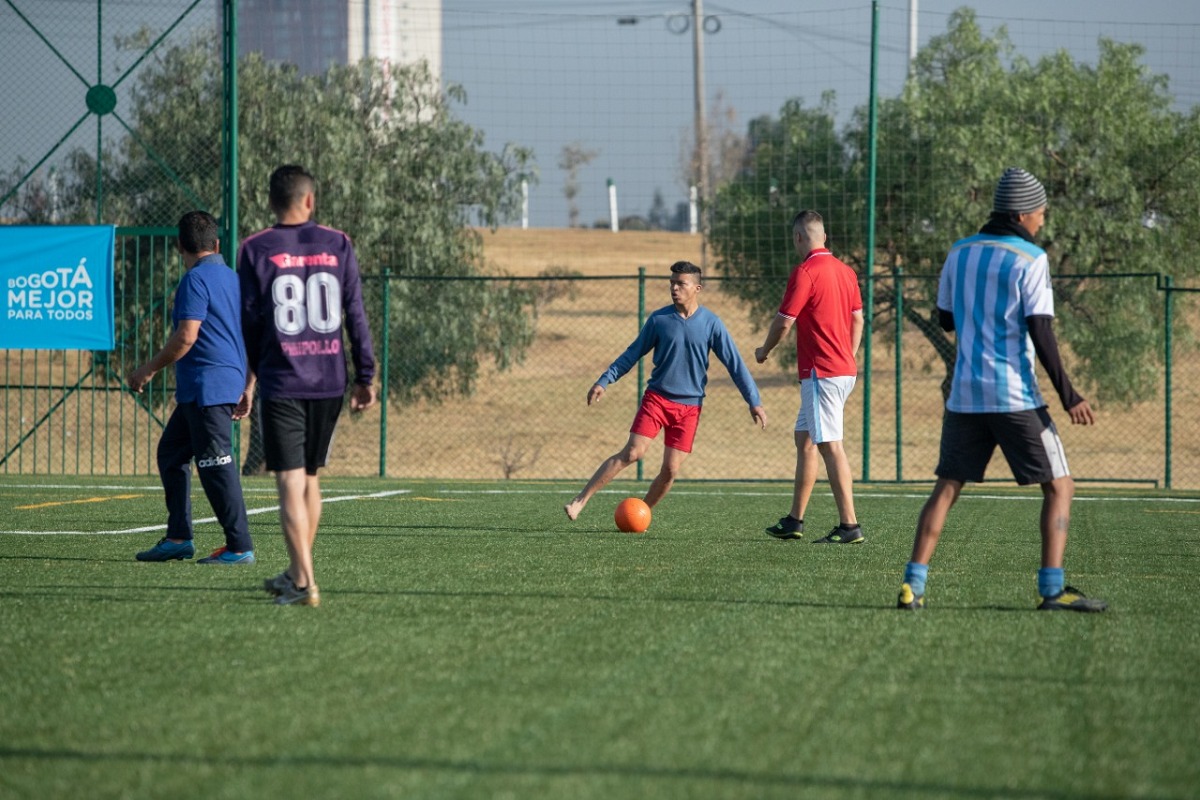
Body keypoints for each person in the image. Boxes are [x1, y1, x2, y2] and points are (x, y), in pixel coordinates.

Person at [897, 167, 1106, 612]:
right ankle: (1052, 589)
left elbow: (946, 319)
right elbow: (1042, 332)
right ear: (1023, 213)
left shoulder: (959, 252)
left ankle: (913, 585)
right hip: (1014, 396)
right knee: (1060, 487)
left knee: (947, 487)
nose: (1043, 221)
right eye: (1041, 213)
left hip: (965, 394)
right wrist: (1069, 394)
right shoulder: (1031, 258)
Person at [238, 164, 376, 607]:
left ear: (272, 202)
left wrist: (248, 379)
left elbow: (250, 324)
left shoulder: (255, 248)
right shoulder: (338, 244)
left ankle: (303, 585)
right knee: (311, 480)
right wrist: (366, 375)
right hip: (329, 380)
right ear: (310, 200)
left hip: (283, 379)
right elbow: (355, 313)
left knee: (289, 483)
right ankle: (299, 572)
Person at [564, 261, 767, 521]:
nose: (674, 287)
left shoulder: (712, 324)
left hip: (690, 408)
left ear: (697, 288)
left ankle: (640, 514)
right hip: (657, 400)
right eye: (672, 282)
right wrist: (605, 380)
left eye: (680, 283)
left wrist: (754, 401)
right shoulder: (659, 320)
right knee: (633, 453)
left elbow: (735, 366)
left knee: (670, 470)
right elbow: (632, 353)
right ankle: (580, 501)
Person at [129, 210, 255, 565]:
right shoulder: (233, 278)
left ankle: (239, 546)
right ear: (216, 244)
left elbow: (187, 336)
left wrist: (148, 369)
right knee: (171, 454)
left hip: (207, 388)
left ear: (179, 245)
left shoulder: (194, 280)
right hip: (211, 388)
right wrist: (249, 384)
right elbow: (251, 336)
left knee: (217, 465)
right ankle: (179, 537)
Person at [755, 210, 865, 544]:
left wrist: (765, 349)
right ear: (824, 236)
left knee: (831, 446)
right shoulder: (846, 272)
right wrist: (849, 354)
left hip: (822, 373)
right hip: (841, 370)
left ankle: (849, 526)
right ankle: (794, 521)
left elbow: (784, 322)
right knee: (805, 440)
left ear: (799, 238)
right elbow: (858, 319)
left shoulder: (805, 271)